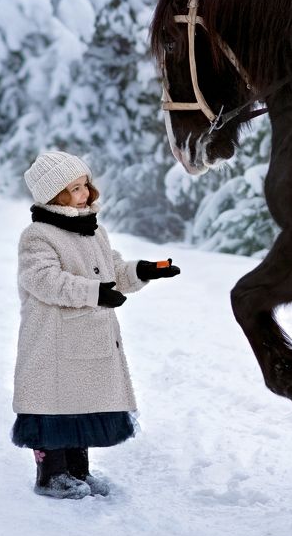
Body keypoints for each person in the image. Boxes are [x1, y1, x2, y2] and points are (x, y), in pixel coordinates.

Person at [11, 150, 180, 499]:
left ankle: (78, 471)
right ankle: (51, 475)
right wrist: (95, 293)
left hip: (89, 337)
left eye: (84, 185)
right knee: (53, 405)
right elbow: (44, 280)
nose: (84, 194)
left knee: (80, 404)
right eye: (73, 189)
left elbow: (113, 272)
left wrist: (144, 271)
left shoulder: (93, 231)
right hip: (52, 339)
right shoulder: (38, 235)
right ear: (53, 195)